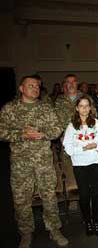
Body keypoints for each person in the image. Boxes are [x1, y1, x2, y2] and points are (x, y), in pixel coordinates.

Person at [0, 75, 68, 248]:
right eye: (31, 86)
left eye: (37, 86)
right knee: (21, 200)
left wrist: (43, 133)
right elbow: (2, 132)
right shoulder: (10, 109)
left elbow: (57, 129)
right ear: (21, 89)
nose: (35, 88)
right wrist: (21, 135)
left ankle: (54, 230)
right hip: (20, 163)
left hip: (43, 162)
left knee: (49, 197)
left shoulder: (46, 108)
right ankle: (26, 233)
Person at [63, 96, 98, 236]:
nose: (84, 108)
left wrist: (95, 145)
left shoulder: (97, 123)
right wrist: (83, 149)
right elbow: (67, 147)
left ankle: (96, 221)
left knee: (96, 194)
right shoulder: (71, 126)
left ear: (90, 107)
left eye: (87, 105)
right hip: (79, 164)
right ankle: (87, 221)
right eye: (81, 106)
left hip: (95, 162)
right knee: (84, 195)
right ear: (76, 108)